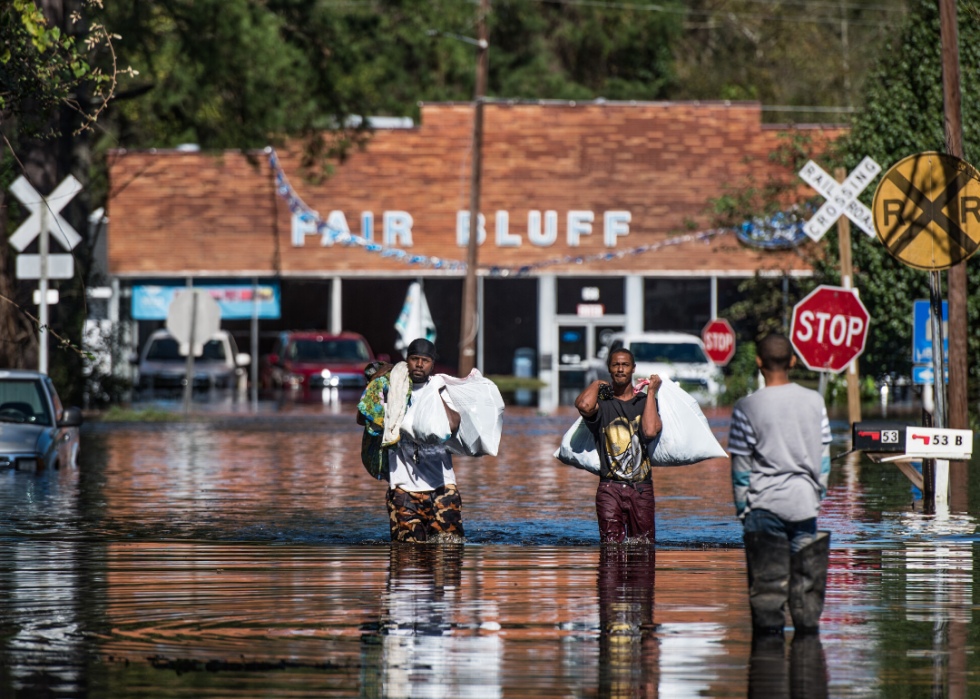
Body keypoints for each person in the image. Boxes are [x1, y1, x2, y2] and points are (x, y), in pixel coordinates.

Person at [728, 333, 832, 634]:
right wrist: (816, 495)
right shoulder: (815, 401)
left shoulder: (747, 407)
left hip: (762, 509)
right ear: (793, 361)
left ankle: (767, 670)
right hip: (804, 507)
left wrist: (743, 509)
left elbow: (741, 468)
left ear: (758, 362)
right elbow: (824, 458)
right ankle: (807, 665)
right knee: (806, 604)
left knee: (767, 608)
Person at [358, 338, 464, 543]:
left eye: (425, 360)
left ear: (432, 364)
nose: (419, 364)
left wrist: (437, 395)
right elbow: (362, 418)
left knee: (449, 553)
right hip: (403, 490)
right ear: (406, 361)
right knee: (407, 556)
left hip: (442, 488)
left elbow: (452, 426)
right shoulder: (392, 388)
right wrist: (374, 387)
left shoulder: (440, 389)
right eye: (414, 359)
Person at [574, 348, 662, 543]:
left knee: (643, 547)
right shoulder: (603, 403)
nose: (620, 369)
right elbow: (583, 406)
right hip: (609, 488)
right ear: (609, 369)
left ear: (633, 369)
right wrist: (597, 383)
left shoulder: (646, 402)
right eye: (615, 365)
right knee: (610, 548)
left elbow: (649, 431)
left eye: (625, 365)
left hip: (641, 489)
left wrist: (651, 392)